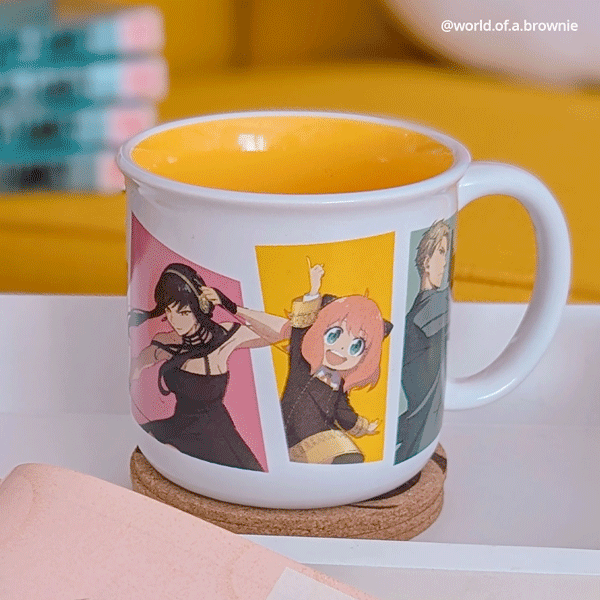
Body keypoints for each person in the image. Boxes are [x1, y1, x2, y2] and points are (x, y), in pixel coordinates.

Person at [237, 261, 393, 464]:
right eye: (334, 335)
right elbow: (300, 329)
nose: (341, 349)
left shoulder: (338, 382)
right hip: (294, 431)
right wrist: (313, 290)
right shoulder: (303, 363)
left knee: (350, 458)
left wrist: (362, 426)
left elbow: (341, 411)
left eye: (355, 347)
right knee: (340, 458)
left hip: (323, 432)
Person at [129, 263, 271, 471]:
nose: (174, 320)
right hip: (178, 426)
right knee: (152, 445)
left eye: (183, 312)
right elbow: (139, 363)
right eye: (169, 311)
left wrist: (232, 307)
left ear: (200, 308)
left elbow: (281, 332)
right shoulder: (167, 341)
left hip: (215, 436)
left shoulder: (224, 337)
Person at [395, 220, 451, 463]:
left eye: (447, 253)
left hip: (419, 425)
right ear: (426, 262)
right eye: (441, 252)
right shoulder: (427, 312)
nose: (445, 262)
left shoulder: (416, 317)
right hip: (420, 424)